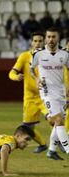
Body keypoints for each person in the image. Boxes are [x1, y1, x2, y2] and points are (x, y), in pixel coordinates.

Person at [30, 27, 69, 160]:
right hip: (46, 92)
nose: (51, 39)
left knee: (60, 122)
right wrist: (36, 79)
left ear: (58, 38)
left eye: (53, 37)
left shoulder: (64, 54)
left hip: (61, 91)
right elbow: (31, 69)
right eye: (49, 37)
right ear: (46, 38)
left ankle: (51, 151)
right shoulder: (38, 54)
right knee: (58, 120)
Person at [8, 32, 48, 153]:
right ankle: (43, 145)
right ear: (31, 42)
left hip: (46, 95)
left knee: (55, 119)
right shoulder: (25, 56)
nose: (37, 43)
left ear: (44, 42)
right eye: (35, 41)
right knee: (28, 127)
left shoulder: (50, 57)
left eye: (40, 41)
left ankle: (62, 143)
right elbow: (11, 73)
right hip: (30, 97)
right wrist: (16, 77)